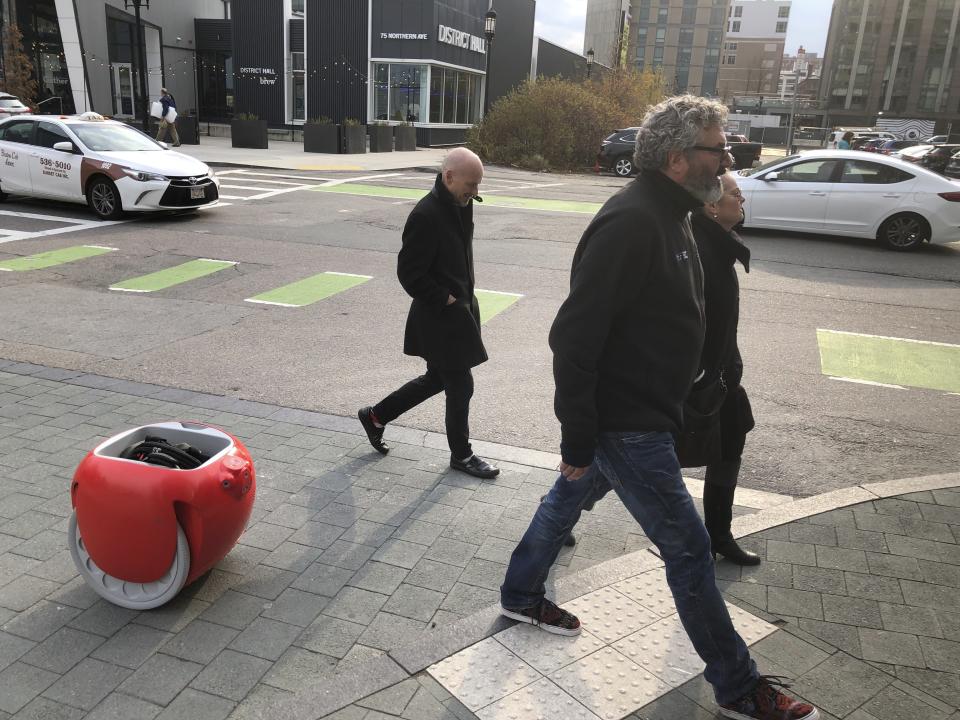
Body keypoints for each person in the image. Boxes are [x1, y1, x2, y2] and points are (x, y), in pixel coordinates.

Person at [499, 95, 819, 720]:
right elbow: (574, 336)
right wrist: (577, 440)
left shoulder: (675, 214)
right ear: (677, 158)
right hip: (628, 424)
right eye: (718, 150)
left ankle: (519, 592)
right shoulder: (634, 221)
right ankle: (738, 685)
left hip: (646, 415)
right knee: (689, 550)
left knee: (566, 501)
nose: (728, 161)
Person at [358, 148, 500, 480]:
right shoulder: (426, 215)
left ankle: (375, 416)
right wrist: (447, 299)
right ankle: (462, 456)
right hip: (440, 317)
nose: (475, 192)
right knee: (460, 385)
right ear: (449, 177)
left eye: (478, 185)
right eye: (471, 184)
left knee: (438, 378)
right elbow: (409, 273)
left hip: (458, 312)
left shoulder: (460, 204)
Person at [687, 170, 760, 566]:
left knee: (731, 442)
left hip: (722, 377)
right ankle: (560, 510)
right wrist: (696, 374)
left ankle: (719, 535)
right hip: (692, 382)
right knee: (623, 460)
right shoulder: (696, 247)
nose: (742, 200)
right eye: (736, 193)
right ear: (712, 205)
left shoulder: (719, 243)